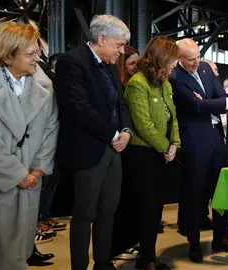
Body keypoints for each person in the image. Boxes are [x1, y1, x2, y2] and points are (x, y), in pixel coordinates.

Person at [54, 15, 132, 270]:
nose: (122, 52)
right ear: (101, 39)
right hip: (87, 152)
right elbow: (79, 108)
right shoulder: (71, 62)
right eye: (119, 45)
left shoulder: (109, 64)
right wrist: (113, 134)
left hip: (113, 150)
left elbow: (120, 103)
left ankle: (103, 262)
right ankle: (79, 266)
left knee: (108, 211)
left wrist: (126, 130)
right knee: (84, 215)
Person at [170, 38, 228, 263]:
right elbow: (196, 105)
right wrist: (218, 102)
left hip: (217, 137)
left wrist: (209, 102)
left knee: (221, 190)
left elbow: (219, 96)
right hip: (195, 141)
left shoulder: (207, 68)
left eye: (198, 57)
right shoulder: (175, 77)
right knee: (194, 194)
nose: (197, 62)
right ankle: (195, 243)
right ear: (178, 59)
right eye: (190, 60)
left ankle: (221, 237)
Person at [0, 22, 59, 270]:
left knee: (20, 247)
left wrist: (38, 169)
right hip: (1, 179)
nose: (37, 58)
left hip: (31, 181)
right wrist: (16, 174)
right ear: (8, 56)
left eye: (37, 52)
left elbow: (51, 128)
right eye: (30, 54)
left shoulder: (45, 87)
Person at [123, 36, 180, 270]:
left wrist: (175, 142)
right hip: (142, 155)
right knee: (146, 208)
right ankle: (146, 259)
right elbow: (143, 124)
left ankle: (149, 256)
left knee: (156, 208)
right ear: (162, 58)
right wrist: (165, 147)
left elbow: (173, 117)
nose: (176, 64)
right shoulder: (137, 83)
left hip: (162, 155)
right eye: (174, 60)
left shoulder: (165, 84)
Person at [110, 45, 142, 261]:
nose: (136, 67)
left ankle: (130, 241)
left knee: (132, 199)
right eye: (132, 64)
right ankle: (118, 246)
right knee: (120, 201)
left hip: (134, 148)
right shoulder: (119, 86)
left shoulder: (137, 83)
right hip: (121, 148)